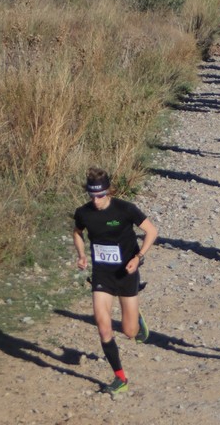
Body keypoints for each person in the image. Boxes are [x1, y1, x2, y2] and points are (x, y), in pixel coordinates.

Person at [73, 167, 158, 395]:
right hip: (102, 275)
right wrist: (81, 254)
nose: (96, 200)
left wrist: (138, 258)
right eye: (92, 196)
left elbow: (152, 231)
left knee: (130, 332)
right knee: (103, 328)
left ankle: (136, 319)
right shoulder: (83, 213)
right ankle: (120, 377)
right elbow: (77, 232)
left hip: (126, 273)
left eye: (100, 195)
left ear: (108, 191)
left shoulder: (125, 209)